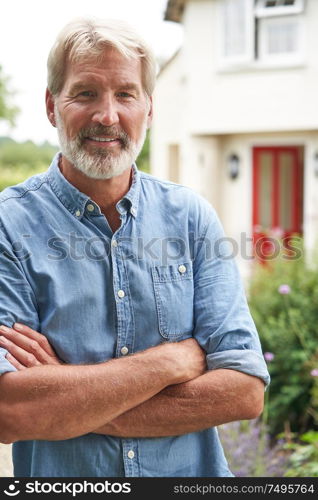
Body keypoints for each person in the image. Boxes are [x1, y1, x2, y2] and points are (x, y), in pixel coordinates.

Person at [0, 18, 270, 477]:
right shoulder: (8, 224)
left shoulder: (190, 217)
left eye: (125, 94)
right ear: (51, 105)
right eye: (85, 93)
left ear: (149, 107)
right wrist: (171, 361)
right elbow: (12, 410)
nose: (107, 115)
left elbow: (243, 391)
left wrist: (67, 401)